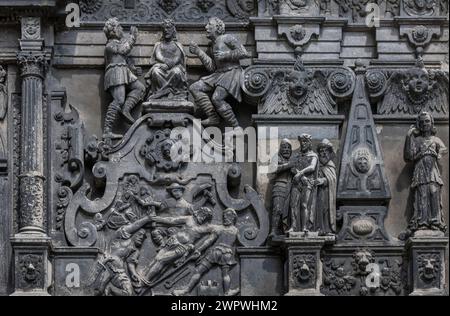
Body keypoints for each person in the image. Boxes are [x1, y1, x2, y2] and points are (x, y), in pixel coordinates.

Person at [189, 17, 250, 127]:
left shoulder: (227, 38)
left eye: (209, 24)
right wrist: (198, 52)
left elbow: (244, 52)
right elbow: (213, 68)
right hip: (219, 74)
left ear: (217, 28)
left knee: (217, 98)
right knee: (195, 87)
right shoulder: (213, 45)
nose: (206, 27)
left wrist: (226, 55)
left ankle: (236, 126)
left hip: (232, 73)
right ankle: (212, 116)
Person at [173, 208, 239, 296]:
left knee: (199, 271)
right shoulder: (236, 231)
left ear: (233, 218)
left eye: (228, 216)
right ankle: (227, 292)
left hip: (216, 252)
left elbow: (208, 241)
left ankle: (186, 290)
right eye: (225, 216)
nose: (225, 218)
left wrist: (199, 250)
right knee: (225, 274)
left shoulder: (219, 229)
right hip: (227, 254)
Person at [141, 207, 216, 284]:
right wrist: (156, 219)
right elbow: (172, 220)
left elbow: (217, 230)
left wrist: (197, 249)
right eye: (202, 213)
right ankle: (142, 275)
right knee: (156, 258)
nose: (203, 216)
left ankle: (146, 279)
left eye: (205, 215)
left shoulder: (207, 228)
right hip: (172, 241)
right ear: (199, 212)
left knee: (161, 260)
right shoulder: (189, 219)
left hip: (182, 247)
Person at [404, 112, 448, 234]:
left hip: (432, 170)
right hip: (421, 170)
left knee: (433, 192)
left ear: (431, 123)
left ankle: (435, 222)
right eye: (422, 122)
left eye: (427, 121)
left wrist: (438, 154)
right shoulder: (417, 140)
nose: (425, 124)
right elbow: (408, 156)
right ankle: (422, 222)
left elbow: (444, 148)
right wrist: (409, 136)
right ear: (419, 124)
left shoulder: (435, 139)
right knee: (422, 195)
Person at [103, 18, 145, 139]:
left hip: (123, 71)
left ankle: (126, 110)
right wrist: (132, 37)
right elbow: (123, 50)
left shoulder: (117, 44)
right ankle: (107, 130)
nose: (122, 29)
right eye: (120, 27)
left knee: (140, 88)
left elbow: (124, 60)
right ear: (114, 30)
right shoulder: (110, 45)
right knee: (118, 100)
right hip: (115, 73)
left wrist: (133, 69)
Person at [145, 19, 188, 101]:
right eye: (164, 28)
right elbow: (158, 55)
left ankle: (171, 91)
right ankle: (164, 92)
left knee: (177, 72)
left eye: (168, 28)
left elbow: (178, 57)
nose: (166, 30)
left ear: (173, 30)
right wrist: (165, 62)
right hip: (162, 66)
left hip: (174, 67)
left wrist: (169, 65)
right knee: (155, 71)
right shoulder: (159, 44)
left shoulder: (177, 45)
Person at [288, 134, 319, 233]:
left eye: (305, 141)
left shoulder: (313, 156)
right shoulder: (297, 156)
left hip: (307, 183)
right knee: (293, 205)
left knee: (304, 205)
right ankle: (293, 226)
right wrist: (300, 175)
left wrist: (301, 173)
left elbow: (312, 167)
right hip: (297, 183)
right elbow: (292, 168)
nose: (303, 143)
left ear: (309, 143)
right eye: (301, 141)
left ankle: (304, 227)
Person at [270, 139, 295, 237]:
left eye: (289, 148)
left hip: (291, 187)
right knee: (278, 209)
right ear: (280, 149)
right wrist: (288, 165)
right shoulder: (276, 157)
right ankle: (273, 230)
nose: (286, 150)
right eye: (284, 147)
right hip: (279, 185)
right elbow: (273, 169)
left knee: (289, 210)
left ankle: (286, 229)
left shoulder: (292, 160)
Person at [315, 139, 337, 235]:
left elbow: (333, 179)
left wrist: (324, 180)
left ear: (329, 152)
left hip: (327, 192)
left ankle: (327, 228)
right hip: (317, 192)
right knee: (318, 209)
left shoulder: (330, 165)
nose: (323, 153)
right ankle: (319, 228)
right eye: (321, 151)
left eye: (325, 151)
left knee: (326, 209)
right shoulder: (317, 165)